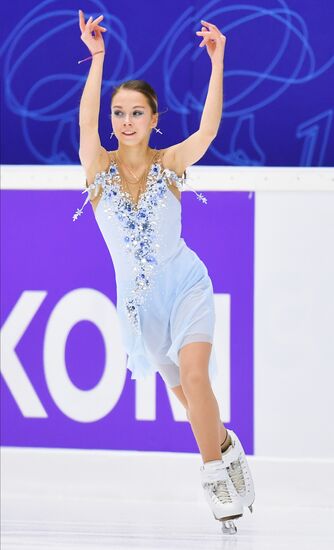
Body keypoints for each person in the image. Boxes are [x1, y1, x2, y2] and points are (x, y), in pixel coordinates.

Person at [75, 9, 255, 534]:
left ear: (154, 119)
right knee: (190, 401)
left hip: (186, 287)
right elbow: (85, 121)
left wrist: (218, 63)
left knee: (196, 377)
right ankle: (223, 443)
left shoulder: (171, 164)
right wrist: (98, 58)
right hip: (140, 306)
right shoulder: (98, 170)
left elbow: (209, 129)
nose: (125, 121)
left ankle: (214, 475)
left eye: (136, 112)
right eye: (119, 113)